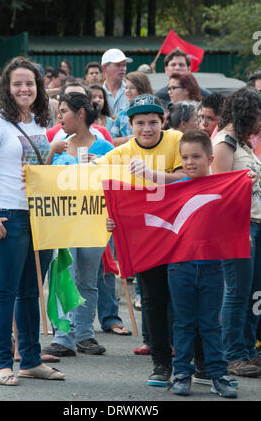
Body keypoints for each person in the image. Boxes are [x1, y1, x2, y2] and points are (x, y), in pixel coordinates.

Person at [0, 56, 65, 386]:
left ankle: (31, 360)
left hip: (39, 216)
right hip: (5, 215)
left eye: (30, 83)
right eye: (18, 83)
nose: (24, 88)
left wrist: (53, 154)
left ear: (38, 87)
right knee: (5, 291)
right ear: (7, 89)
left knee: (30, 292)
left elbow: (38, 169)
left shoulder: (41, 121)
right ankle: (2, 363)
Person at [98, 94, 186, 387]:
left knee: (185, 299)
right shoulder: (119, 154)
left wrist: (154, 175)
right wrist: (106, 216)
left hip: (178, 235)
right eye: (140, 123)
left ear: (163, 121)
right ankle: (161, 363)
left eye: (152, 122)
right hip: (145, 241)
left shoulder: (176, 141)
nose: (147, 128)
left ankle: (194, 360)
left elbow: (194, 175)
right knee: (154, 301)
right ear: (130, 124)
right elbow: (89, 182)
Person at [167, 130, 238, 398]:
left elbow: (235, 215)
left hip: (212, 268)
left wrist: (244, 183)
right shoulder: (174, 191)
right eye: (184, 157)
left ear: (209, 159)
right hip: (180, 267)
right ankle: (182, 374)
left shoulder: (222, 187)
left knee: (211, 324)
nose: (189, 162)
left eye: (196, 156)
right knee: (183, 324)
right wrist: (116, 221)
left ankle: (217, 375)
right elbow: (145, 215)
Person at [43, 92, 114, 356]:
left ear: (80, 114)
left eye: (63, 111)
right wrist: (51, 154)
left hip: (94, 221)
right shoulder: (58, 144)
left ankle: (85, 334)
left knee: (87, 279)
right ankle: (63, 336)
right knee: (64, 276)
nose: (59, 117)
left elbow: (114, 184)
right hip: (63, 222)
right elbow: (41, 180)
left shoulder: (104, 147)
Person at [211, 87, 261, 377]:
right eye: (256, 116)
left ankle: (247, 349)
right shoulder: (224, 144)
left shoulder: (242, 143)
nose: (259, 123)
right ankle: (233, 355)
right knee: (237, 293)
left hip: (253, 224)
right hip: (237, 228)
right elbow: (219, 192)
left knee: (252, 292)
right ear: (245, 113)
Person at [111, 71, 154, 147]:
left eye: (132, 87)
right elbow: (111, 140)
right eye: (126, 87)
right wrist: (129, 139)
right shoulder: (122, 113)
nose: (127, 91)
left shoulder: (155, 111)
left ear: (143, 88)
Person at [101, 48, 133, 117]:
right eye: (118, 65)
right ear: (105, 67)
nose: (123, 69)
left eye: (124, 65)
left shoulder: (132, 91)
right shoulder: (97, 94)